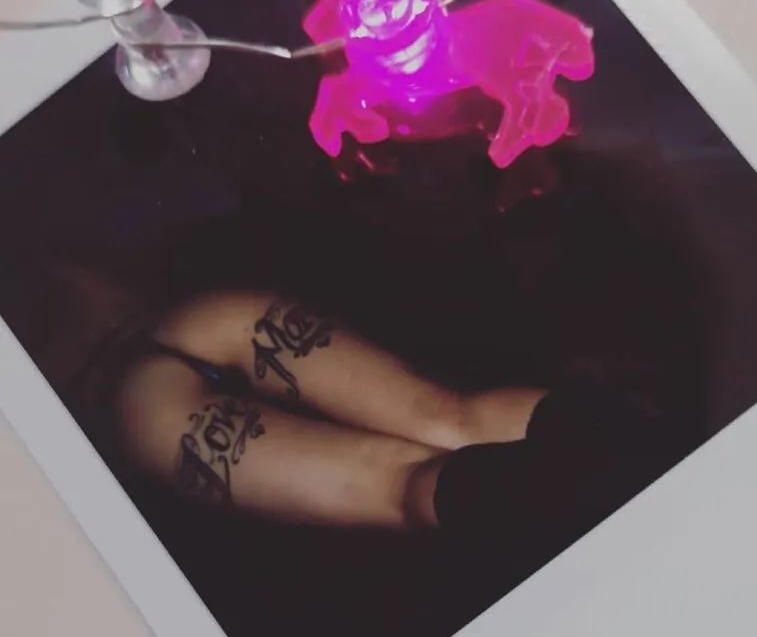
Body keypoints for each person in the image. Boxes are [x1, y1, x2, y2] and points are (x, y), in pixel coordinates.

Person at [1, 146, 708, 546]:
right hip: (181, 334)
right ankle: (647, 474)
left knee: (408, 474)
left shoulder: (99, 370)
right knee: (437, 433)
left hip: (132, 392)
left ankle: (636, 484)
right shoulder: (129, 313)